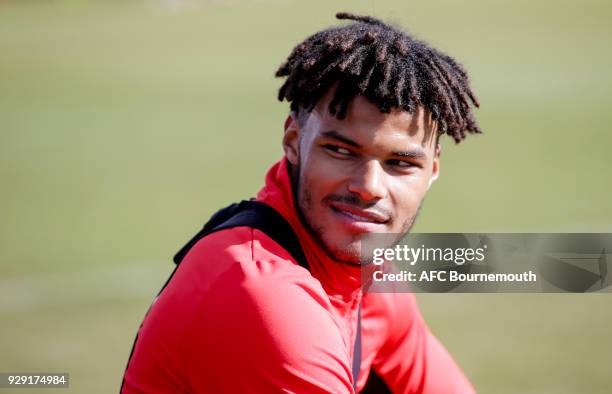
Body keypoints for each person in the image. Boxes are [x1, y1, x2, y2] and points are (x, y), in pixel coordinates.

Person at [122, 12, 481, 393]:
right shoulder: (260, 294)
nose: (369, 187)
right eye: (341, 150)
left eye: (401, 163)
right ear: (293, 140)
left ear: (433, 170)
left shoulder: (372, 281)